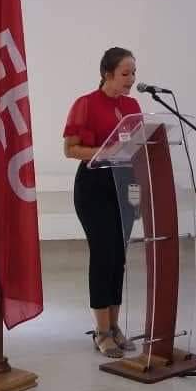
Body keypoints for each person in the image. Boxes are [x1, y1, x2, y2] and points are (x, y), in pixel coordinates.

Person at [63, 46, 141, 358]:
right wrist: (105, 152)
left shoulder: (133, 105)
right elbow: (70, 150)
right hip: (94, 187)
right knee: (103, 255)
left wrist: (139, 192)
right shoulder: (85, 104)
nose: (131, 79)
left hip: (123, 186)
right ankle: (101, 331)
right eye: (125, 74)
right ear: (107, 74)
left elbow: (135, 147)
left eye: (134, 73)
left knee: (119, 258)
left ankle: (115, 325)